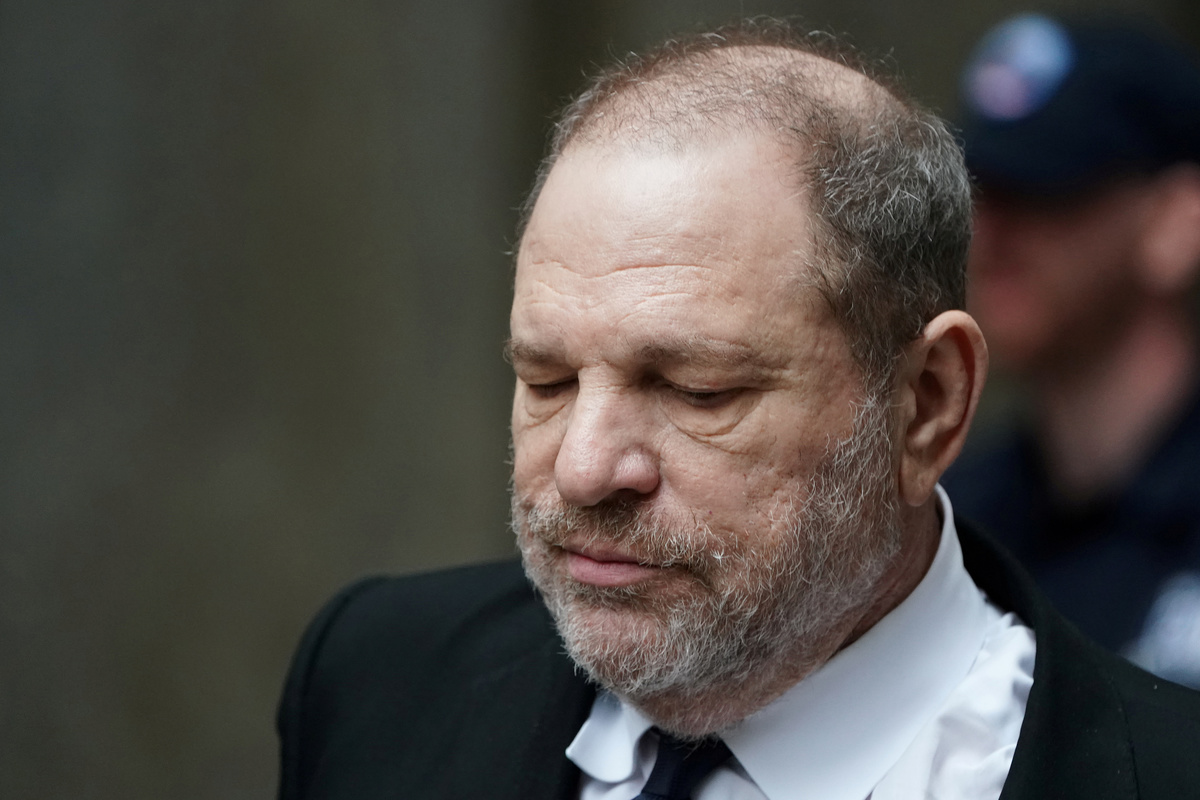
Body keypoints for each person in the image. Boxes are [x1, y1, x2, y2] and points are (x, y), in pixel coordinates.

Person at [276, 19, 1200, 800]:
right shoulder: (376, 680)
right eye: (547, 381)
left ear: (926, 403)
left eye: (697, 391)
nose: (584, 467)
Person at [944, 13, 1200, 688]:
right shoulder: (950, 526)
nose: (990, 233)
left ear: (1175, 221)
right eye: (980, 190)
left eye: (1044, 189)